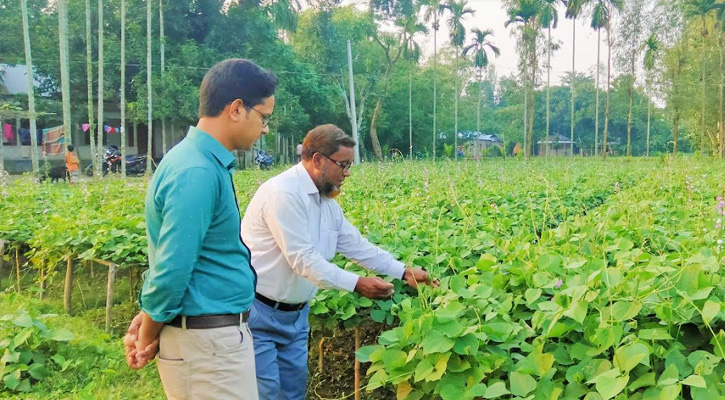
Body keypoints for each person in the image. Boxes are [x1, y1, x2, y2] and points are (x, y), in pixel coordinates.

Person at [241, 124, 439, 399]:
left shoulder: (326, 203)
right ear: (318, 159)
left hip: (296, 316)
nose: (347, 173)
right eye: (343, 165)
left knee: (293, 392)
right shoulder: (283, 194)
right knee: (266, 393)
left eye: (349, 166)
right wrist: (357, 283)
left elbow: (355, 245)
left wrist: (403, 271)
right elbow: (303, 259)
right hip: (260, 313)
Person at [122, 58, 277, 400]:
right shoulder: (197, 171)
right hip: (207, 349)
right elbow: (172, 270)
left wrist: (148, 316)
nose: (264, 128)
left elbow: (186, 257)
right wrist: (147, 336)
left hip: (211, 343)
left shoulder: (196, 161)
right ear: (236, 109)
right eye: (263, 117)